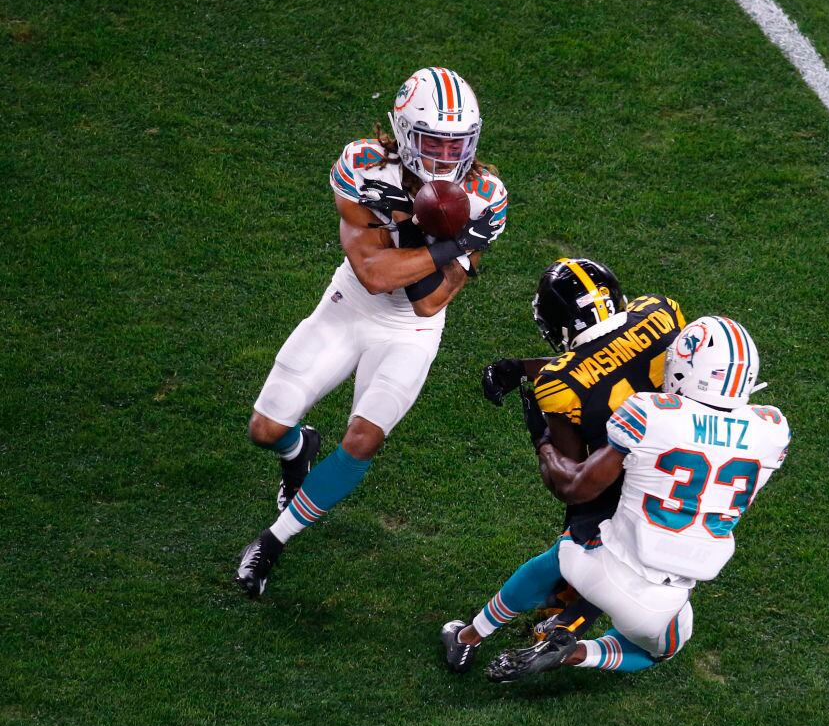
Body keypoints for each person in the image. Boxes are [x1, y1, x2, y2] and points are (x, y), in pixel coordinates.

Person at [235, 67, 508, 598]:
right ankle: (298, 450)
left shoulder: (484, 197)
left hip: (411, 331)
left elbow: (429, 301)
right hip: (350, 306)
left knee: (362, 440)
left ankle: (272, 541)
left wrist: (414, 236)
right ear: (404, 132)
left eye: (457, 145)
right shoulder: (363, 167)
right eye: (433, 142)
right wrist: (452, 243)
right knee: (265, 430)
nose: (446, 158)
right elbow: (374, 274)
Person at [443, 316, 791, 680]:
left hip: (597, 565)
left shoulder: (651, 412)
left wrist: (543, 441)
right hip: (665, 602)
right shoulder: (773, 429)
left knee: (566, 548)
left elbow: (578, 487)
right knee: (658, 652)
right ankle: (575, 653)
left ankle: (468, 637)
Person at [441, 258, 687, 670]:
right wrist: (525, 369)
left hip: (621, 479)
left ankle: (478, 635)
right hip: (688, 467)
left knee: (577, 543)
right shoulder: (662, 312)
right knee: (638, 579)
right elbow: (619, 356)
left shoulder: (559, 384)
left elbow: (569, 480)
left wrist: (541, 438)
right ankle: (566, 617)